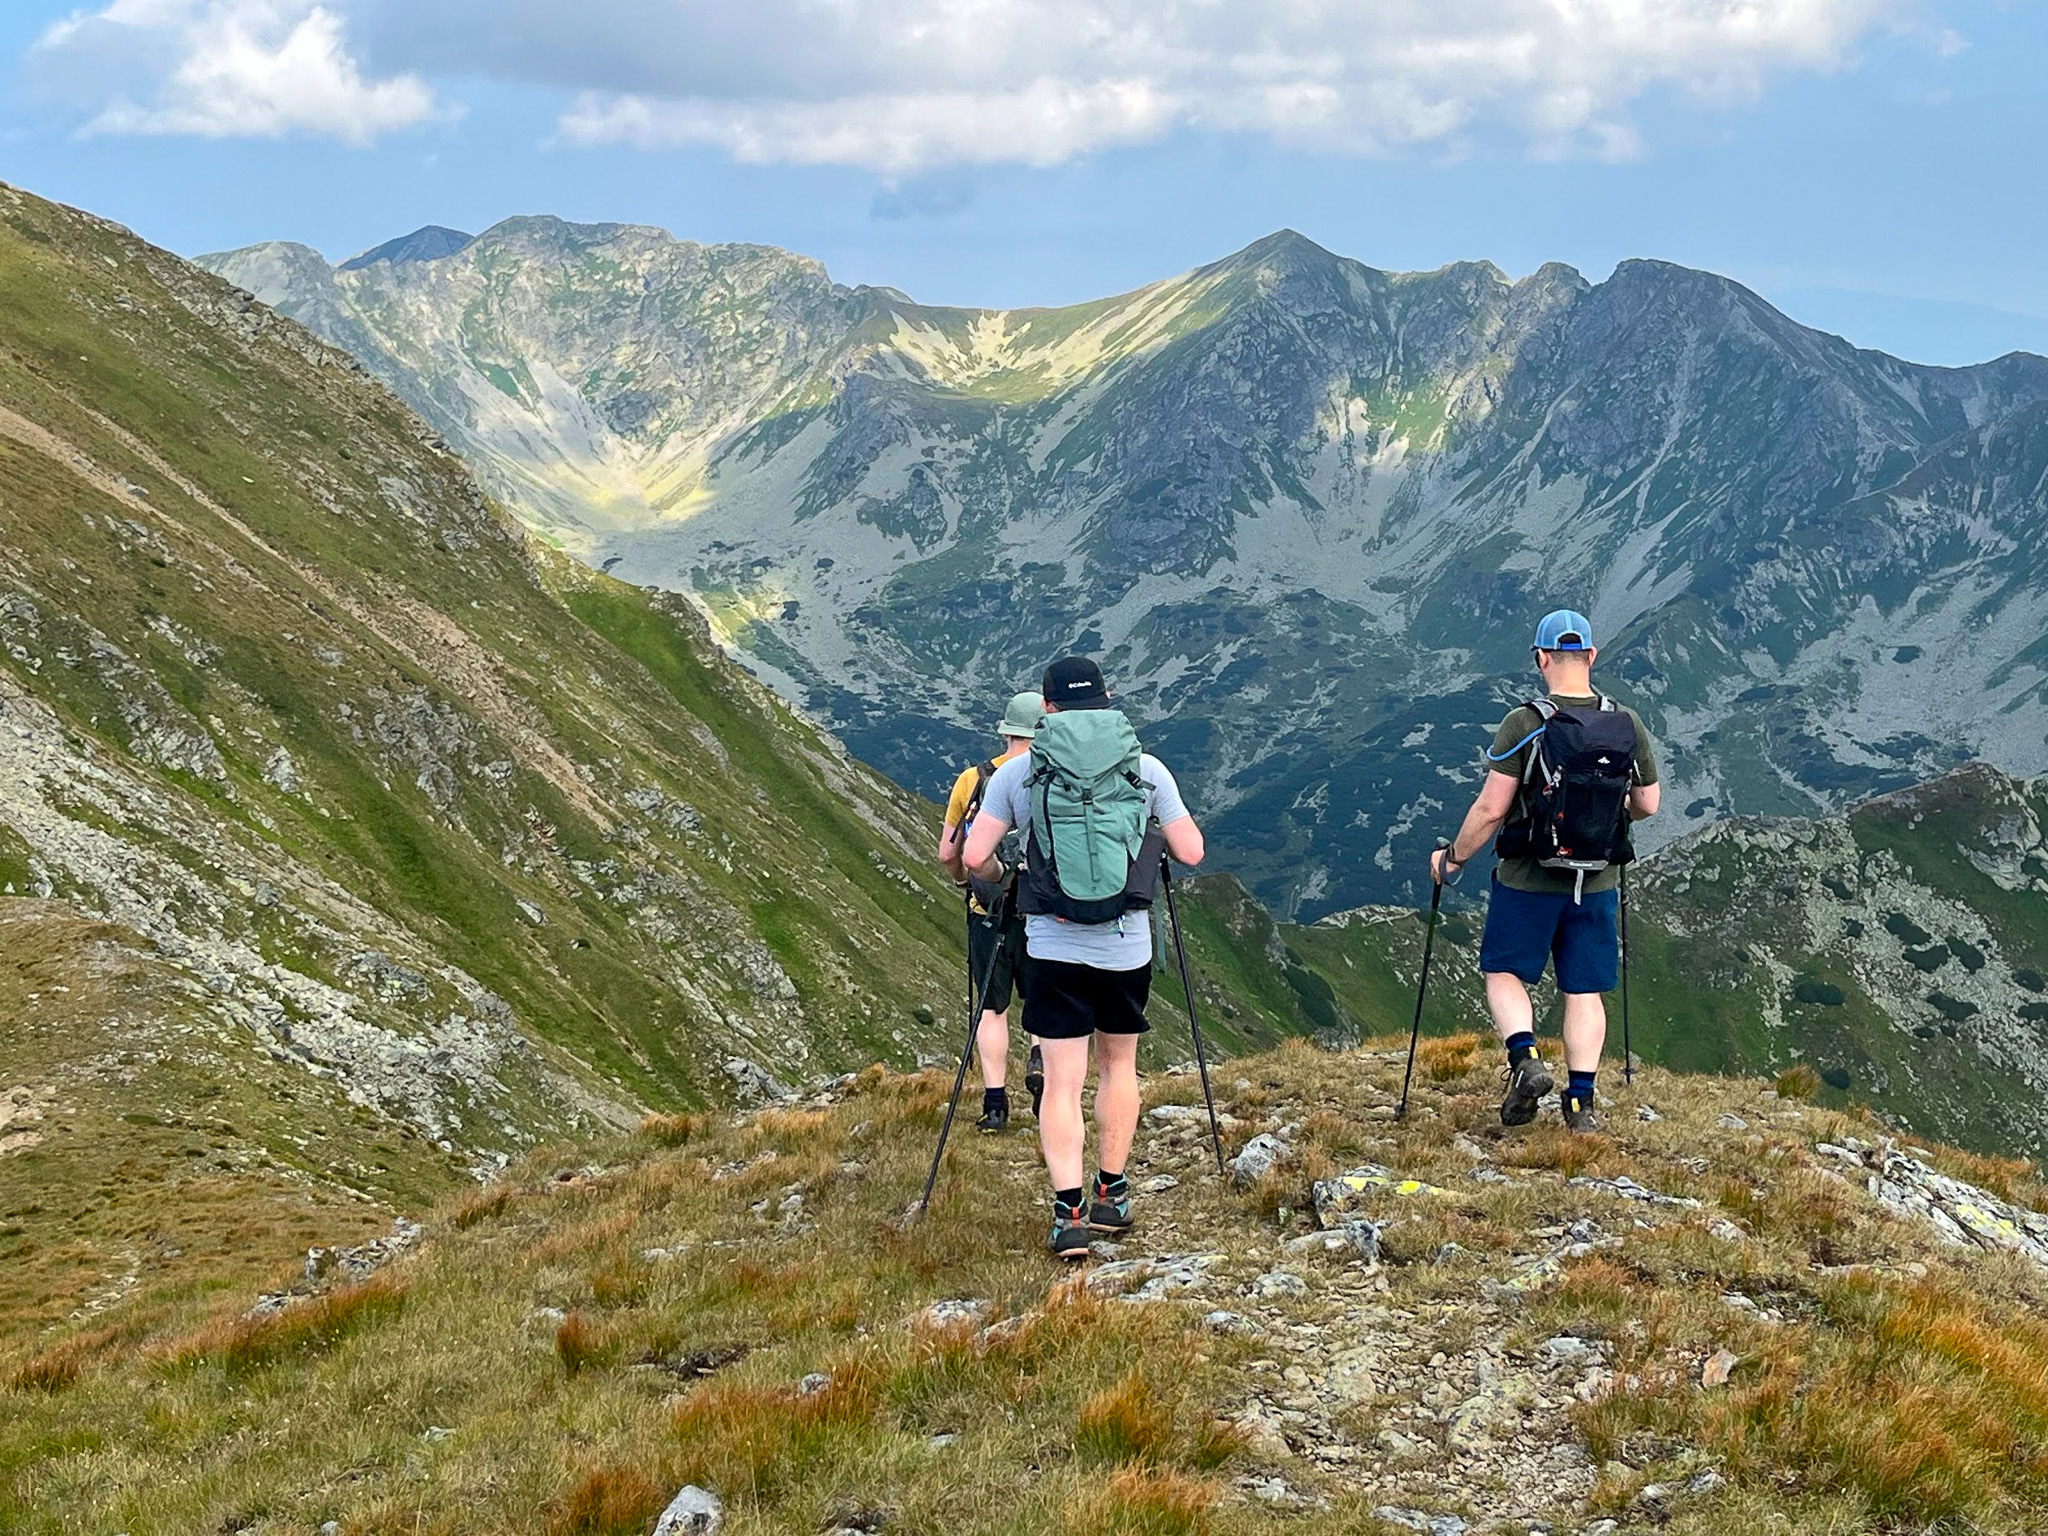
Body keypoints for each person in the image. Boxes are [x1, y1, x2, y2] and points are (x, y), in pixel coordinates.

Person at [962, 656, 1204, 1259]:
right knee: (1119, 1067)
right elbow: (1192, 851)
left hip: (1051, 945)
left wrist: (1003, 877)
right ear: (1108, 698)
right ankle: (1111, 1195)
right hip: (1126, 946)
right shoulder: (1145, 768)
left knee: (1062, 1082)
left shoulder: (1020, 773)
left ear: (1047, 708)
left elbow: (973, 857)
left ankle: (1067, 1213)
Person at [1429, 610, 1661, 1133]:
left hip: (1528, 879)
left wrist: (1454, 860)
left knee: (1504, 972)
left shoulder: (1526, 722)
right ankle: (1581, 1105)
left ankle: (1526, 1059)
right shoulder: (1625, 721)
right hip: (1596, 881)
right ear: (1592, 657)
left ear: (1541, 658)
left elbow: (1491, 809)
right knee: (1584, 990)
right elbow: (1648, 802)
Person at [938, 691, 1046, 1133]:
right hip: (1041, 911)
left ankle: (996, 1103)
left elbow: (950, 853)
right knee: (1043, 1004)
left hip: (988, 908)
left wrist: (967, 883)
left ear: (1005, 731)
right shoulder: (1051, 777)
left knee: (991, 1009)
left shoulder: (973, 779)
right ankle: (1044, 1070)